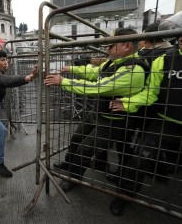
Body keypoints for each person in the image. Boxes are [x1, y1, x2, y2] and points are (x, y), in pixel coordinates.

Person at [44, 28, 147, 192]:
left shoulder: (133, 70)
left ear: (127, 46)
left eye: (112, 45)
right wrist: (71, 69)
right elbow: (94, 72)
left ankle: (74, 177)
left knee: (85, 148)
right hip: (98, 113)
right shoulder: (114, 62)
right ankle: (69, 164)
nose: (108, 49)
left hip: (113, 122)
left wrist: (63, 81)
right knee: (77, 138)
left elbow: (98, 87)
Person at [108, 36, 182, 216]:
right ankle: (124, 195)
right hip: (166, 121)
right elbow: (151, 92)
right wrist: (129, 103)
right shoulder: (164, 59)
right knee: (138, 159)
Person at [106, 22, 173, 185]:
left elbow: (151, 90)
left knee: (133, 148)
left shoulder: (161, 56)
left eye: (141, 37)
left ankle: (128, 180)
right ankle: (156, 174)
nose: (139, 41)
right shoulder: (166, 54)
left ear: (147, 38)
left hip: (143, 109)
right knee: (138, 147)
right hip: (151, 108)